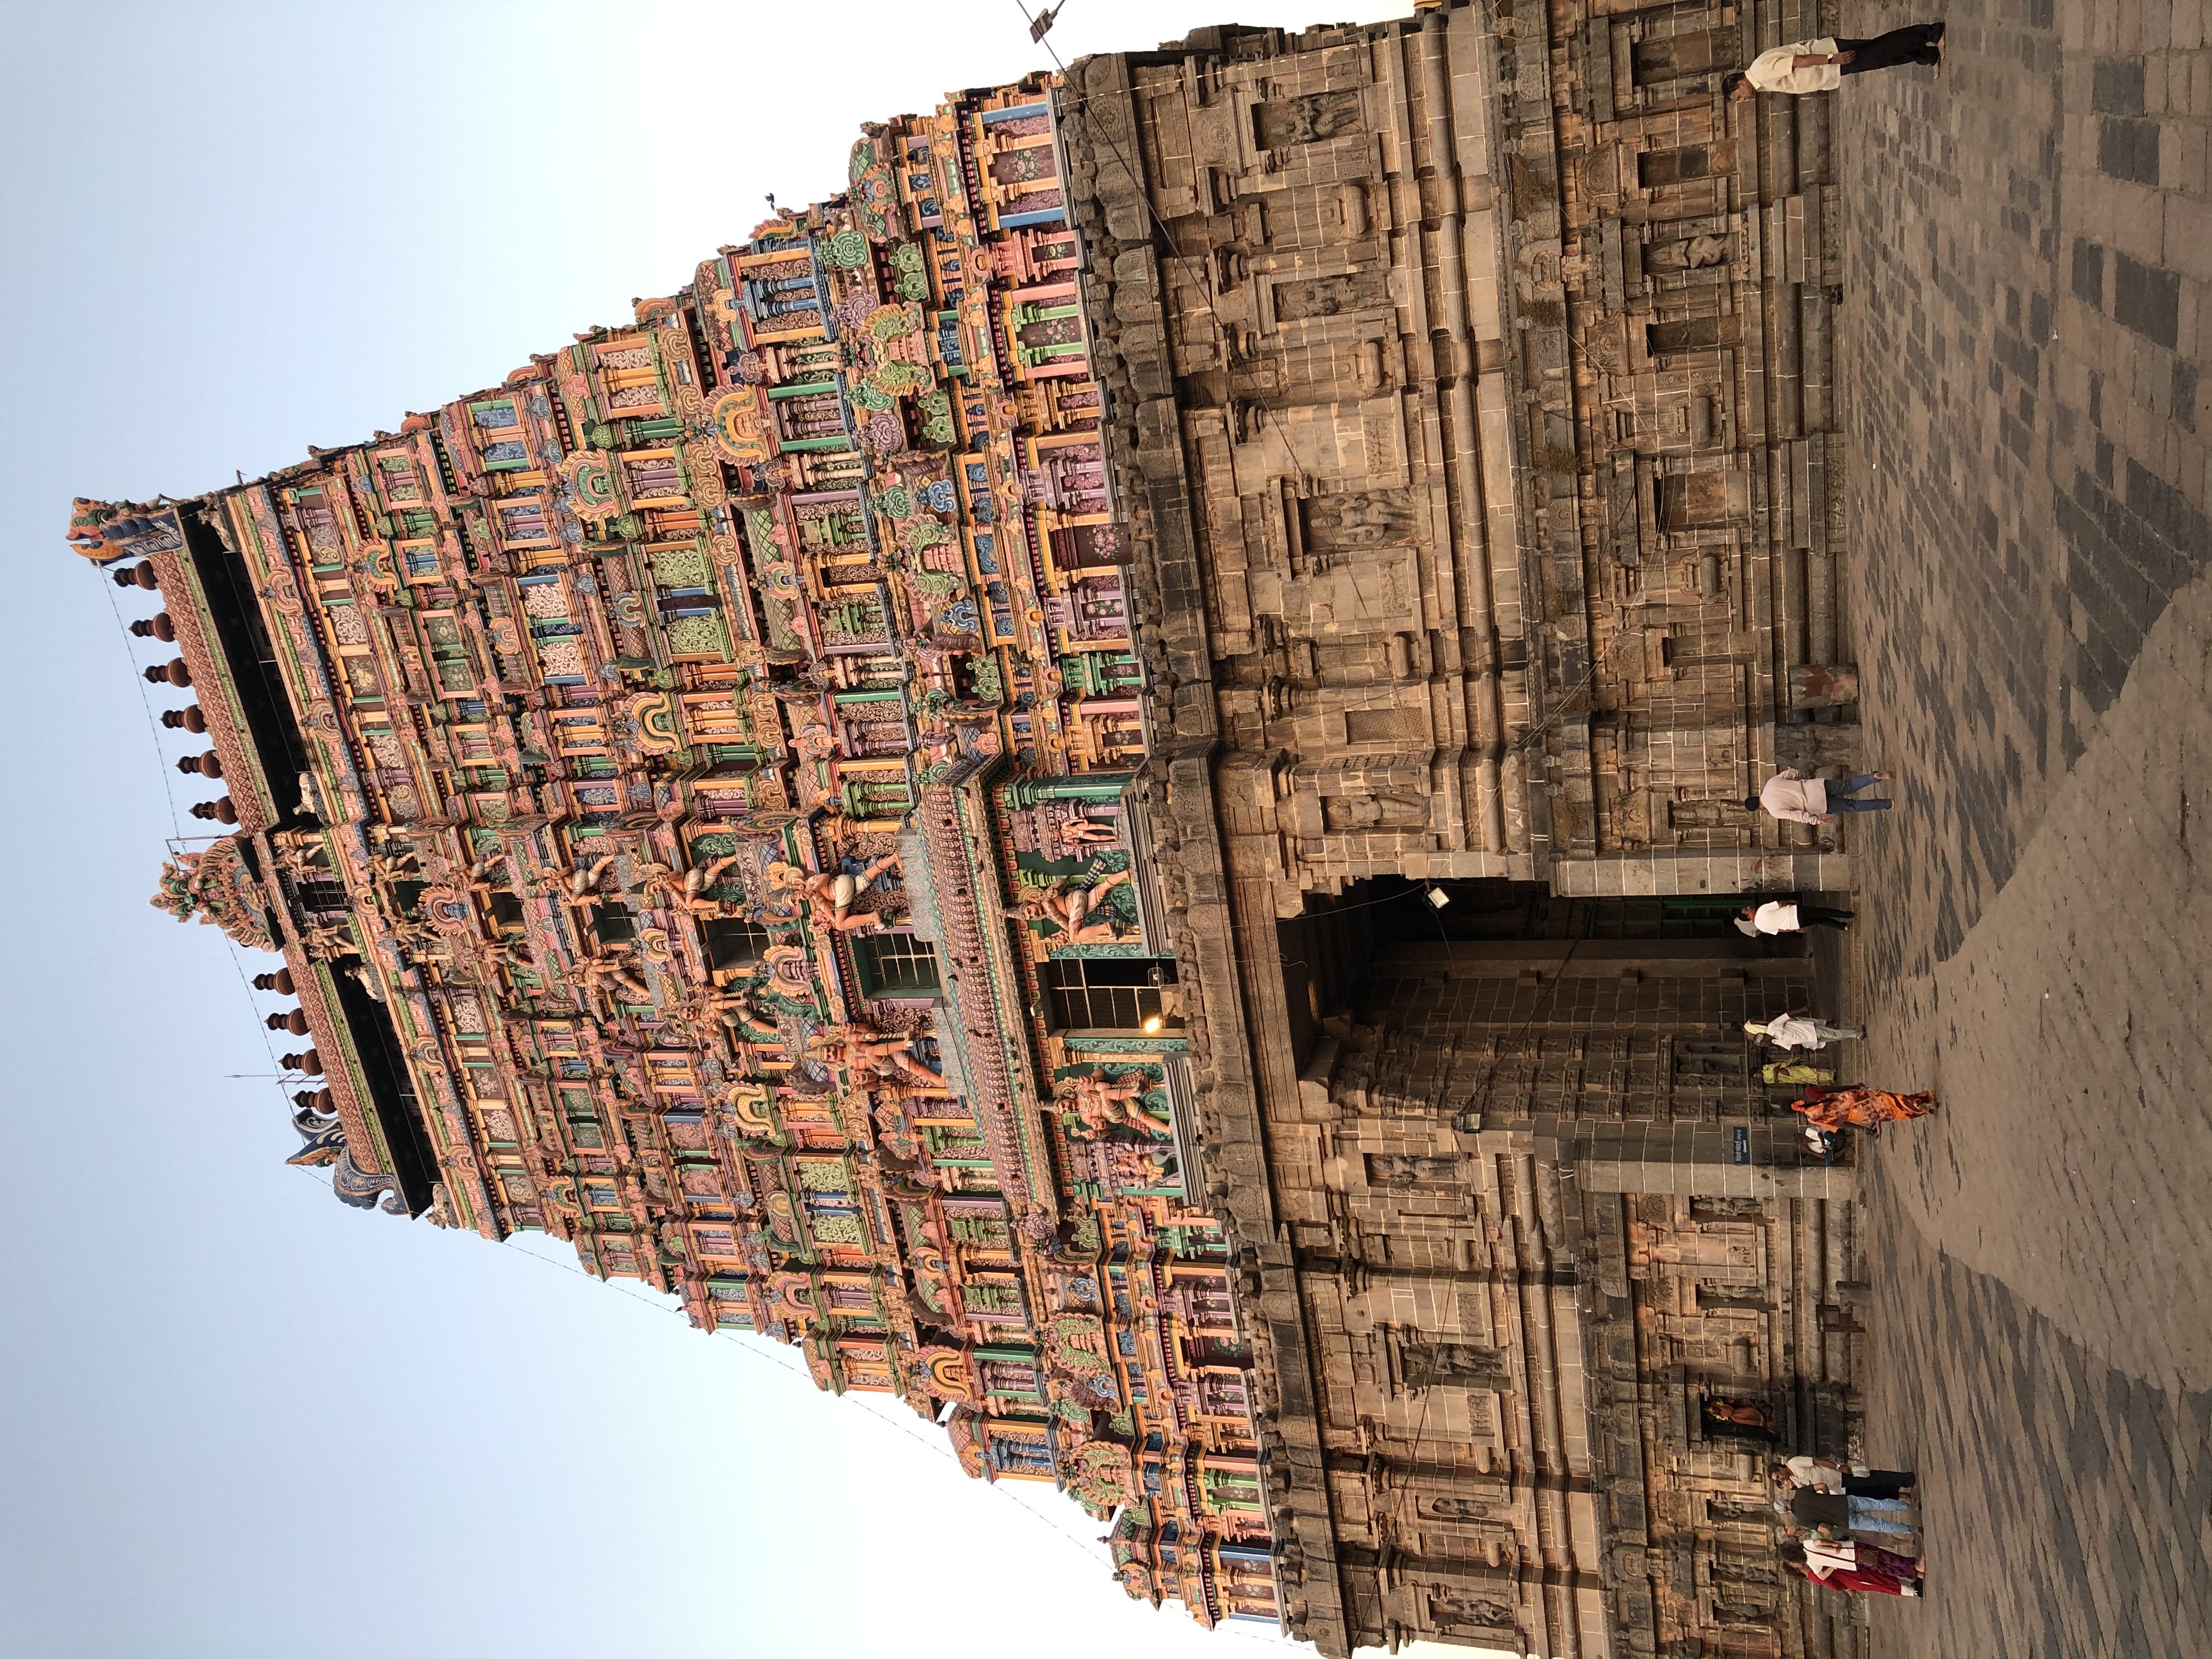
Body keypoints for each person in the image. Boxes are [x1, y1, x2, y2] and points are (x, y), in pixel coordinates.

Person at [1722, 23, 1944, 99]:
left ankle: (1931, 33)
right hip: (1830, 64)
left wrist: (1832, 59)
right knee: (1880, 54)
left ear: (1740, 84)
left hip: (1832, 58)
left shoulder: (1760, 73)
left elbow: (1799, 61)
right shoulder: (1760, 77)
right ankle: (1927, 55)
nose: (1744, 99)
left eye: (1739, 97)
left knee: (1882, 50)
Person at [1746, 769, 1893, 824]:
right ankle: (1873, 777)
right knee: (1847, 785)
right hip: (1815, 786)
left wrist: (1816, 820)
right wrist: (1800, 778)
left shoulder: (1774, 811)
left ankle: (1888, 803)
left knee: (1853, 805)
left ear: (1758, 809)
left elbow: (1797, 816)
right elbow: (1792, 773)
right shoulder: (1771, 783)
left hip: (1818, 804)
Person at [1793, 1086, 1939, 1133]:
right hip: (1856, 1099)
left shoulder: (1814, 1119)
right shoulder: (1811, 1093)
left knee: (1891, 1114)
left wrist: (1863, 1129)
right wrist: (1856, 1087)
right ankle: (1917, 1101)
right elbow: (1836, 1089)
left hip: (1859, 1115)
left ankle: (1921, 1109)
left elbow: (1840, 1123)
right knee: (1889, 1099)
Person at [1788, 1484, 1916, 1536]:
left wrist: (1830, 1522)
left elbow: (1825, 1530)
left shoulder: (1802, 1519)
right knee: (1879, 1504)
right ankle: (1910, 1507)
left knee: (1879, 1526)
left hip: (1844, 1520)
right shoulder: (1800, 1493)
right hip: (1844, 1501)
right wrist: (1827, 1498)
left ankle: (1909, 1529)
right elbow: (1822, 1485)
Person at [1779, 1455, 1916, 1501]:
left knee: (1873, 1478)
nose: (1782, 1480)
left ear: (1780, 1468)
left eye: (1780, 1477)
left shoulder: (1795, 1463)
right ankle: (1898, 1493)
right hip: (1838, 1489)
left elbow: (1817, 1461)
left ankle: (1905, 1479)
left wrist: (1838, 1466)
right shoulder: (1794, 1480)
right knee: (1870, 1493)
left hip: (1837, 1476)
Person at [1744, 1012, 1863, 1051]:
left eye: (1764, 1043)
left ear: (1763, 1038)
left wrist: (1802, 1010)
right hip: (1810, 1038)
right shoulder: (1775, 1042)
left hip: (1809, 1030)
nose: (1766, 1045)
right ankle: (1856, 1030)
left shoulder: (1772, 1027)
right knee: (1836, 1037)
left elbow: (1786, 1016)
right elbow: (1790, 1047)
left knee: (1835, 1034)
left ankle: (1857, 1034)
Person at [1735, 899, 1853, 935]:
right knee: (1821, 912)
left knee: (1819, 920)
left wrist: (1796, 929)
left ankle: (1843, 927)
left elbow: (1781, 930)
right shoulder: (1761, 910)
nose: (1749, 908)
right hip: (1795, 912)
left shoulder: (1761, 927)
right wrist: (1791, 901)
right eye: (1747, 909)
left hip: (1795, 924)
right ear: (1747, 914)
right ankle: (1846, 915)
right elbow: (1780, 904)